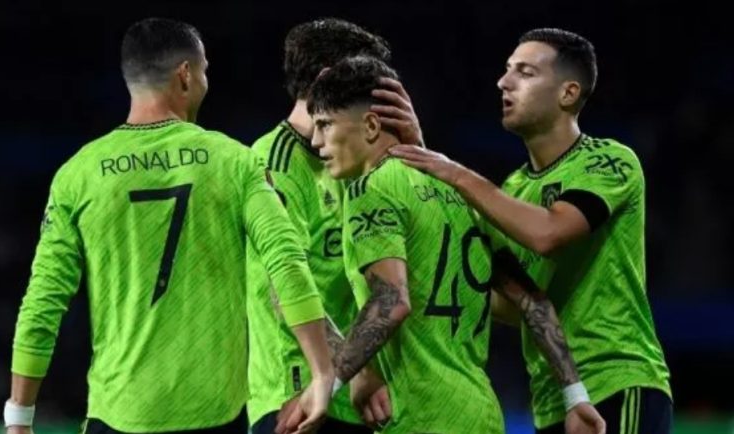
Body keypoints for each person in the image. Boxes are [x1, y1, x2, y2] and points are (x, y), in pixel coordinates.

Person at [5, 17, 334, 434]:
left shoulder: (78, 175)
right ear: (185, 74)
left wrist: (20, 414)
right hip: (215, 417)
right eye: (205, 71)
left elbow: (43, 299)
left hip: (119, 415)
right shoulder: (235, 161)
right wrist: (322, 373)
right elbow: (286, 263)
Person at [280, 55, 603, 434]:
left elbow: (392, 301)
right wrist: (576, 396)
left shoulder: (372, 189)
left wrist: (325, 383)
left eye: (325, 125)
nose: (316, 141)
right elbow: (534, 302)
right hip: (482, 414)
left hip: (422, 417)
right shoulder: (459, 192)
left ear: (370, 126)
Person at [390, 28, 671, 433]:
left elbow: (549, 232)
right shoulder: (514, 191)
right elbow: (510, 303)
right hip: (553, 397)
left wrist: (450, 170)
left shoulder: (610, 162)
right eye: (507, 71)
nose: (504, 82)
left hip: (616, 381)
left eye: (525, 72)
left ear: (568, 94)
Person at [247, 18, 423, 434]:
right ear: (328, 79)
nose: (376, 102)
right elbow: (283, 282)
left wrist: (417, 147)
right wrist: (355, 372)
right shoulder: (273, 162)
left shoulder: (357, 159)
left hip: (359, 393)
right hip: (298, 393)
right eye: (365, 84)